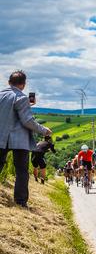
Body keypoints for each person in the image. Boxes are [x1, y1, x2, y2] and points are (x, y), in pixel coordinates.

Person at [0, 70, 52, 208]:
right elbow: (27, 121)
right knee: (22, 171)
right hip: (18, 140)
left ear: (9, 82)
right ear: (23, 84)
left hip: (1, 137)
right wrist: (44, 130)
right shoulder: (22, 98)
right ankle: (20, 202)